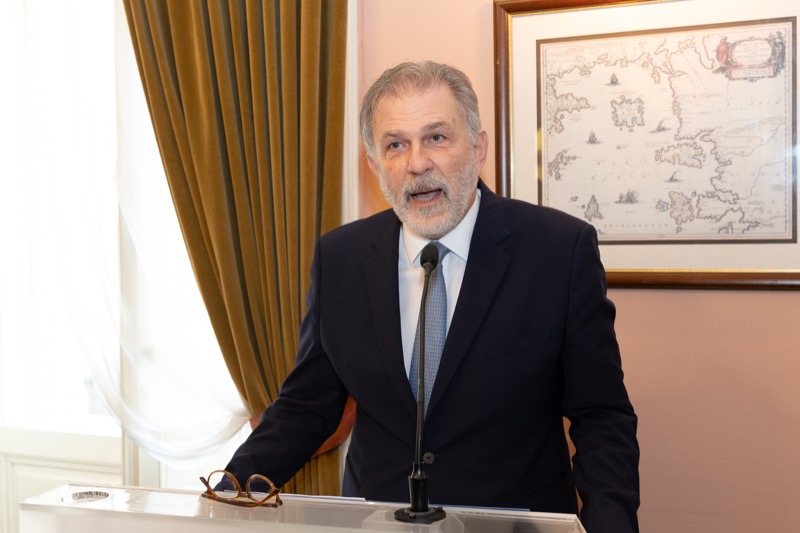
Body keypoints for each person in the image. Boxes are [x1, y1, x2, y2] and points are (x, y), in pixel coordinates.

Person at [217, 60, 640, 533]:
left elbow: (600, 416)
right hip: (376, 523)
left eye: (436, 137)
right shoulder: (340, 258)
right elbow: (305, 408)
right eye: (395, 145)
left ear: (477, 148)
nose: (417, 163)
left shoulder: (558, 251)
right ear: (374, 165)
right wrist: (224, 498)